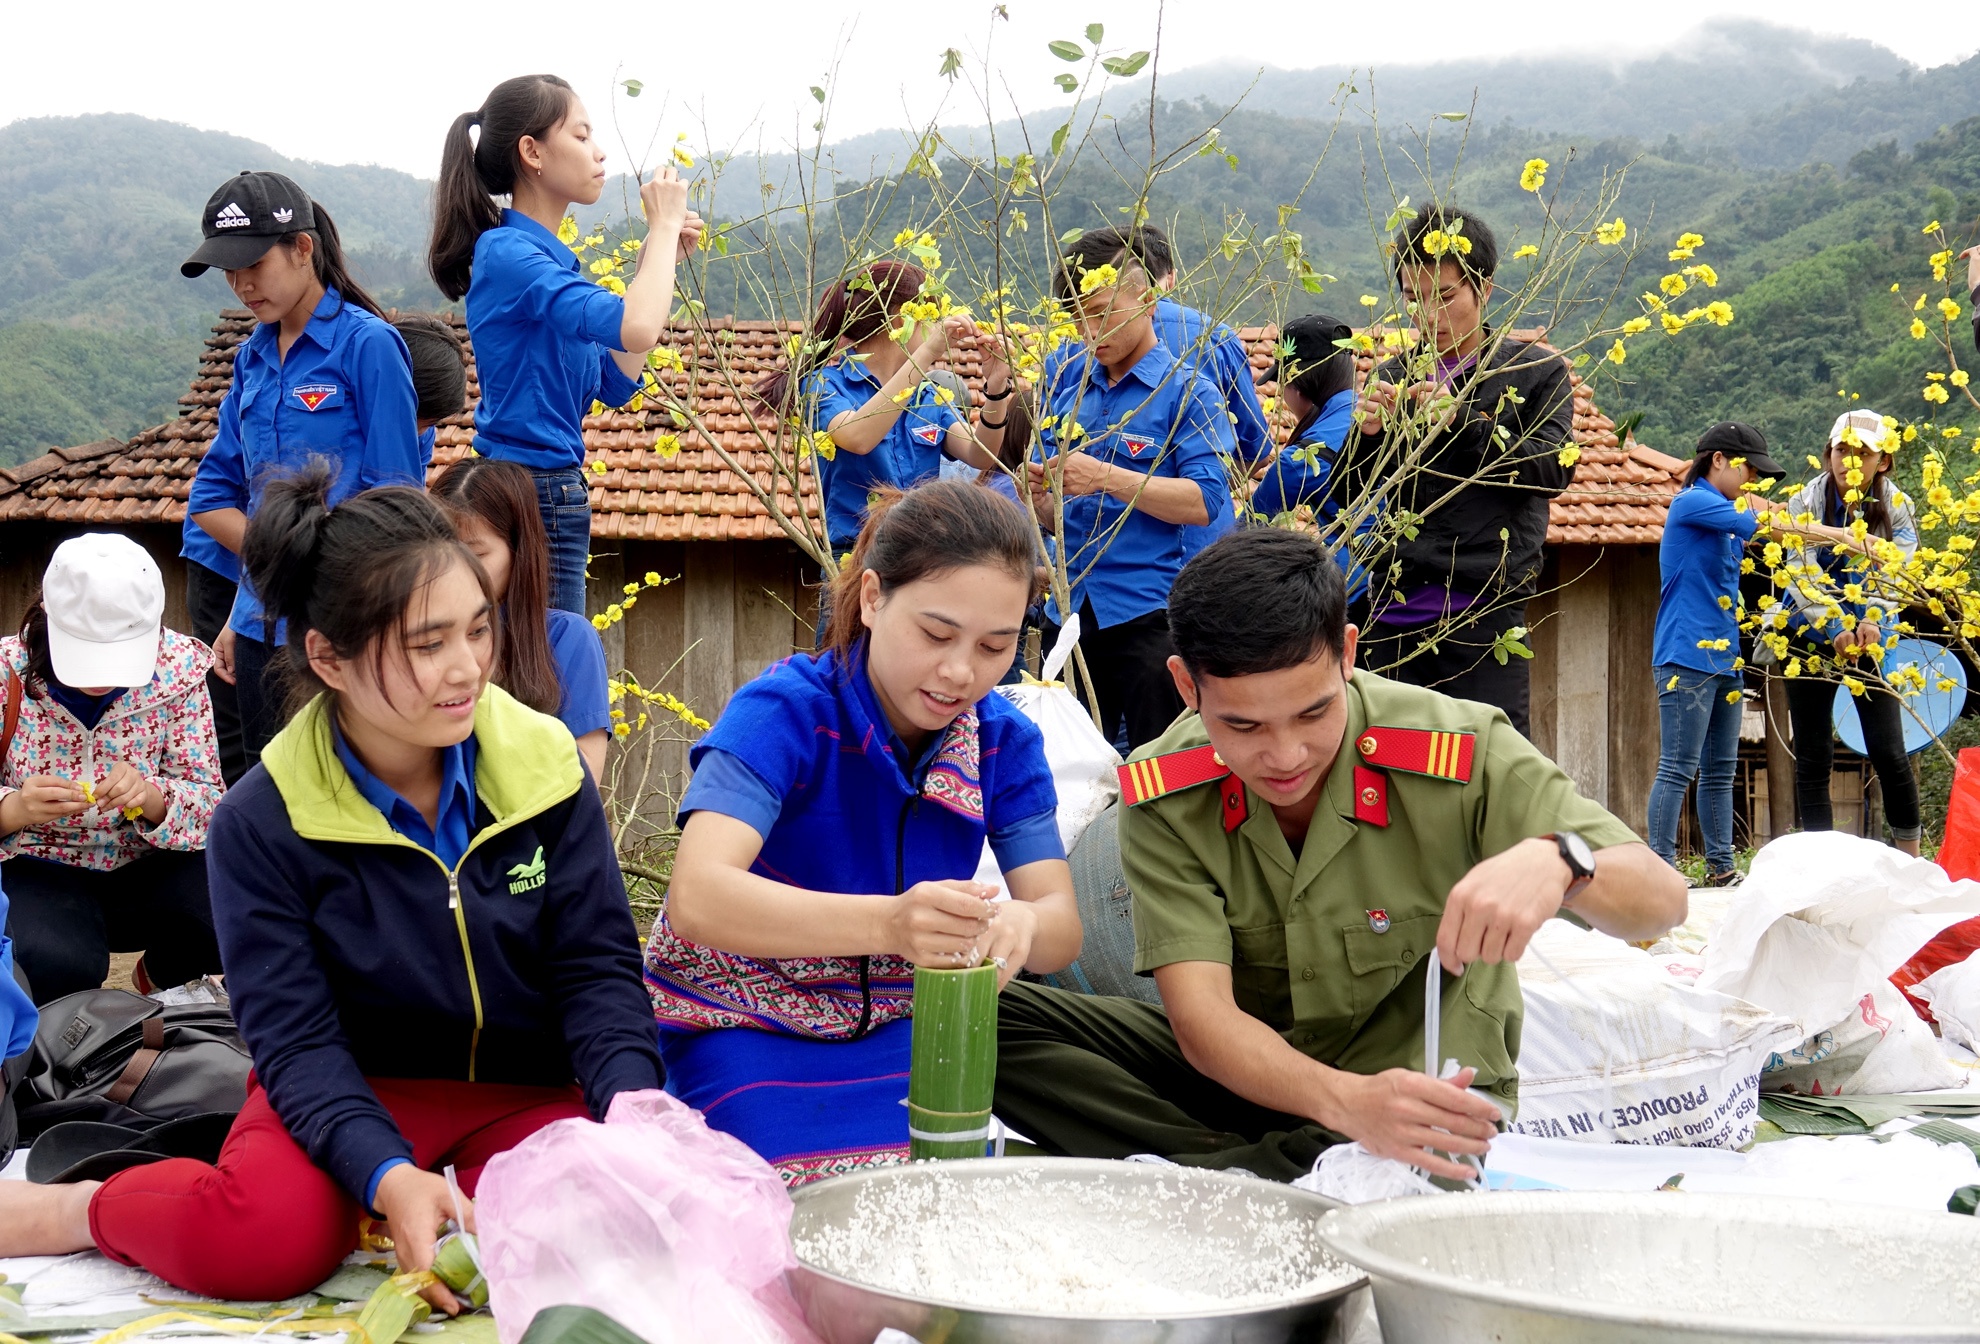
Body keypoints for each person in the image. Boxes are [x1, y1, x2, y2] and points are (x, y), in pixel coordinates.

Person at [0, 468, 664, 1305]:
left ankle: (417, 1199)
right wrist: (386, 1173)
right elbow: (297, 1043)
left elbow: (596, 971)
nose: (467, 669)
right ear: (328, 657)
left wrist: (638, 1118)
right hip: (348, 1085)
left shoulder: (543, 765)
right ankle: (79, 1209)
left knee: (602, 1234)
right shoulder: (264, 820)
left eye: (477, 631)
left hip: (522, 1093)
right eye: (429, 644)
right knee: (261, 1245)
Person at [993, 527, 1686, 1182]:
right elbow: (1204, 1024)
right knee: (986, 1017)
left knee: (1400, 1160)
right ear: (1186, 687)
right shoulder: (1166, 791)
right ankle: (1262, 1172)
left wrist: (1563, 859)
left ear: (1348, 654)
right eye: (1243, 725)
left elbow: (1662, 901)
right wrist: (1343, 1103)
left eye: (1314, 712)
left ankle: (1222, 1177)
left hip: (1421, 1106)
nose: (1286, 755)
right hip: (1259, 1083)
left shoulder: (1457, 750)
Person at [645, 480, 1082, 1184]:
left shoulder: (1003, 742)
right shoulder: (784, 713)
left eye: (996, 646)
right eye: (937, 634)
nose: (960, 671)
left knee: (949, 1201)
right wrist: (889, 926)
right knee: (796, 1212)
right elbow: (699, 896)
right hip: (740, 1023)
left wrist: (1024, 922)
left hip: (904, 1035)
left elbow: (1062, 925)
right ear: (874, 598)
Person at [430, 74, 703, 616]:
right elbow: (638, 327)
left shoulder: (542, 262)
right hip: (531, 495)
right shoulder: (510, 255)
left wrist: (659, 255)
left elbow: (614, 378)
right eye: (581, 136)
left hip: (541, 490)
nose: (598, 152)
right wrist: (666, 224)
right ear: (531, 151)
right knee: (548, 681)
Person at [183, 171, 424, 770]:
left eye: (253, 265)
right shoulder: (252, 358)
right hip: (265, 623)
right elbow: (211, 497)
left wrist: (317, 565)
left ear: (302, 248)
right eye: (228, 271)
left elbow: (400, 500)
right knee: (274, 792)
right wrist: (248, 606)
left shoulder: (368, 346)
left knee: (347, 791)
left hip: (345, 622)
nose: (240, 284)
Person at [1344, 207, 1576, 737]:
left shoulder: (1533, 371)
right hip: (1391, 617)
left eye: (1444, 296)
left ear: (1484, 290)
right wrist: (1369, 435)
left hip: (1482, 620)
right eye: (1412, 298)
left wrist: (1460, 422)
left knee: (1488, 777)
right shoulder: (1395, 376)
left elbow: (1552, 470)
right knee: (1386, 778)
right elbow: (1351, 491)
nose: (1428, 314)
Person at [1027, 227, 1235, 751]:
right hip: (1070, 613)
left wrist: (1103, 477)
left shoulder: (1189, 393)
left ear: (1148, 298)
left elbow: (1204, 502)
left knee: (1158, 772)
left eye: (1099, 311)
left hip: (1148, 615)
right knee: (1065, 772)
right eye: (1076, 316)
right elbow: (1052, 517)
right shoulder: (1065, 389)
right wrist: (1040, 498)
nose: (1089, 330)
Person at [0, 534, 225, 1003]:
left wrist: (151, 798)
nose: (100, 680)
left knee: (233, 911)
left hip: (145, 865)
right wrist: (17, 807)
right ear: (47, 617)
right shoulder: (6, 673)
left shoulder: (180, 670)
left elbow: (211, 804)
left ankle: (165, 982)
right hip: (38, 865)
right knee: (55, 961)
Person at [753, 262, 1007, 562]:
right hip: (854, 558)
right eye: (930, 317)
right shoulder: (824, 384)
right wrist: (924, 356)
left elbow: (981, 454)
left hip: (918, 556)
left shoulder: (927, 394)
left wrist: (997, 386)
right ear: (901, 319)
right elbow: (857, 437)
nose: (936, 328)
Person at [1647, 424, 1787, 884]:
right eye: (1749, 467)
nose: (1752, 478)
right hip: (1686, 653)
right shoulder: (1691, 502)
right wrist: (1834, 532)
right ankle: (1660, 868)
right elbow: (1761, 522)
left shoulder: (1724, 515)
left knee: (1721, 771)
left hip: (1726, 656)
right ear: (1720, 459)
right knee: (1677, 766)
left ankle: (1721, 867)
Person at [1780, 409, 1923, 854]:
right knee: (1813, 753)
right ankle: (1822, 862)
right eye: (1842, 450)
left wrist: (1871, 620)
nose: (1850, 461)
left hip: (1874, 633)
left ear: (1882, 461)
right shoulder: (1803, 502)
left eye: (1863, 453)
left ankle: (1911, 860)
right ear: (1829, 454)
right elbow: (1800, 569)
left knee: (1889, 751)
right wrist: (1833, 623)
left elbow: (1896, 573)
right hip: (1807, 629)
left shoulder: (1898, 507)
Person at [433, 456, 610, 783]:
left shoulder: (567, 638)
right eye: (444, 554)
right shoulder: (417, 640)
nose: (457, 570)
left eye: (476, 554)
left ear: (520, 550)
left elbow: (584, 779)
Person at [1250, 313, 1373, 601]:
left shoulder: (1301, 457)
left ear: (1298, 384)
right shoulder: (1387, 416)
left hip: (1354, 596)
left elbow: (1245, 533)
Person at [391, 313, 471, 469]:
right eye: (411, 420)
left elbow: (409, 489)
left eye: (428, 424)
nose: (417, 433)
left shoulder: (424, 437)